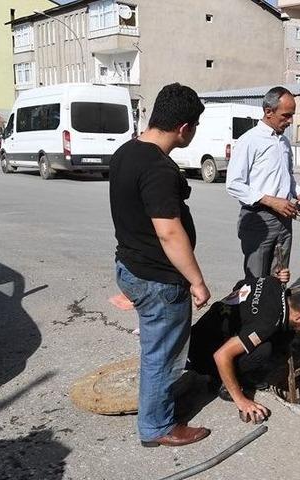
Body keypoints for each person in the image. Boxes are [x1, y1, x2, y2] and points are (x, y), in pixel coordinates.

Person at [110, 83, 212, 448]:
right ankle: (157, 426)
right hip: (157, 279)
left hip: (131, 265)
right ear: (184, 127)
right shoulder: (158, 168)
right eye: (195, 127)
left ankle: (155, 407)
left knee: (156, 349)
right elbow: (169, 233)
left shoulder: (126, 152)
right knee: (164, 355)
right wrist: (197, 281)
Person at [186, 272, 300, 423]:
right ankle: (221, 382)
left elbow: (239, 285)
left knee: (283, 335)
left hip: (202, 331)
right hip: (200, 354)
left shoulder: (273, 283)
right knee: (264, 350)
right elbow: (221, 355)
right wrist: (241, 401)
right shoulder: (267, 324)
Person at [226, 86, 300, 282]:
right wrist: (271, 201)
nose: (290, 121)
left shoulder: (284, 142)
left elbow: (286, 175)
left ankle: (277, 312)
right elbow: (234, 184)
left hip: (285, 218)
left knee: (279, 276)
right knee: (257, 281)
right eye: (286, 115)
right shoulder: (249, 141)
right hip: (258, 219)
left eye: (292, 115)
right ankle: (255, 313)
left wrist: (299, 193)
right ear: (268, 112)